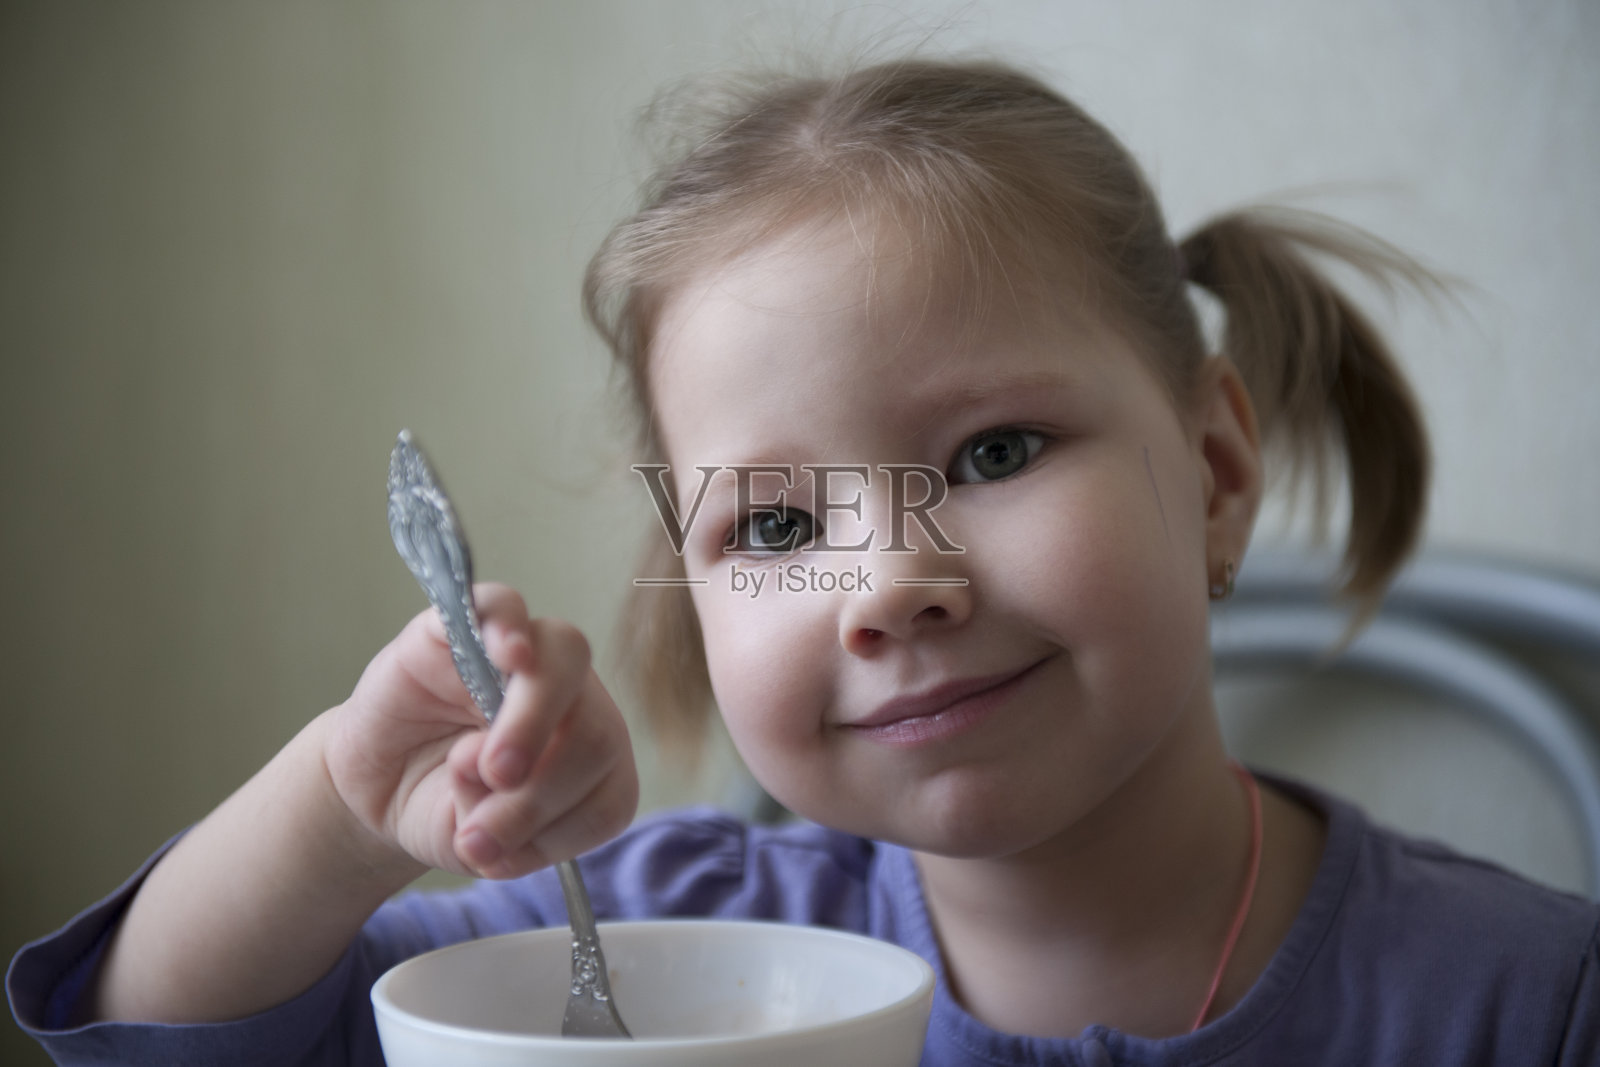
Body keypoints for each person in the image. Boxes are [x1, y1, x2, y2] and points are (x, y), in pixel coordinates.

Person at [9, 56, 1598, 1067]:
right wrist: (349, 813)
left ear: (1215, 470)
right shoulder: (658, 957)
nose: (887, 583)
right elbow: (164, 1034)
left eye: (992, 454)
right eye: (773, 526)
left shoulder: (1526, 1002)